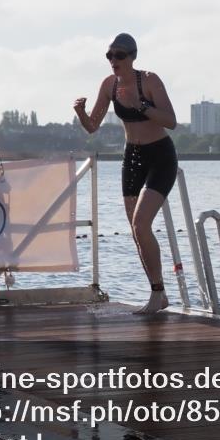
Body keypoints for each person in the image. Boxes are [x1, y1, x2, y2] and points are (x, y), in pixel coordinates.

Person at [74, 33, 178, 314]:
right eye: (109, 56)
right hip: (133, 157)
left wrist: (140, 105)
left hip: (160, 155)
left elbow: (171, 121)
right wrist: (81, 113)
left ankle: (157, 294)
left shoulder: (150, 80)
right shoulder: (109, 85)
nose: (113, 61)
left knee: (141, 223)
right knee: (136, 230)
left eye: (119, 55)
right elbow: (93, 126)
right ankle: (159, 292)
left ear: (132, 56)